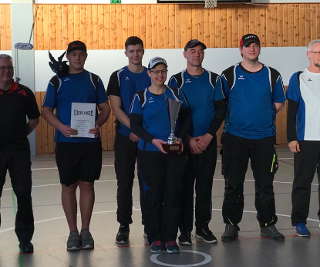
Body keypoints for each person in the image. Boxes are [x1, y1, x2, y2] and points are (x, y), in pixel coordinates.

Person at [42, 41, 110, 251]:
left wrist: (98, 124)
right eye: (74, 54)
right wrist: (61, 127)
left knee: (87, 185)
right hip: (66, 143)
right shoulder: (57, 81)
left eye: (81, 54)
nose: (78, 58)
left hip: (89, 143)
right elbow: (46, 110)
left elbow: (105, 108)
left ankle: (86, 231)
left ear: (86, 56)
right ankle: (72, 232)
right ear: (68, 57)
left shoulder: (94, 80)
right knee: (68, 186)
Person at [220, 34, 286, 242]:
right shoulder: (228, 75)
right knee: (233, 183)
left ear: (260, 49)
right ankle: (231, 224)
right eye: (248, 46)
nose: (252, 48)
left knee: (265, 183)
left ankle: (268, 224)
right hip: (235, 138)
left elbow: (278, 103)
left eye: (255, 45)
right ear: (241, 49)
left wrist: (261, 118)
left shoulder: (271, 75)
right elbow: (220, 105)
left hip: (264, 139)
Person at [168, 39, 226, 245]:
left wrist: (209, 136)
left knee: (204, 188)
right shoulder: (176, 81)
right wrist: (188, 139)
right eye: (192, 51)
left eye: (200, 51)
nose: (197, 54)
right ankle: (184, 230)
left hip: (207, 144)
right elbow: (173, 115)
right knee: (184, 188)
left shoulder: (214, 79)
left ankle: (202, 227)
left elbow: (220, 110)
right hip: (185, 145)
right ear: (185, 54)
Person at [130, 57, 190, 253]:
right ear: (149, 73)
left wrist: (180, 138)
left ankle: (170, 237)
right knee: (153, 196)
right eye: (155, 71)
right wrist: (153, 140)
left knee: (172, 194)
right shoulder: (140, 97)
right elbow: (135, 125)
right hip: (150, 154)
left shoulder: (175, 95)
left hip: (173, 153)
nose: (160, 75)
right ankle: (155, 236)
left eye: (163, 71)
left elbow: (186, 119)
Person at [107, 36, 151, 246]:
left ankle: (149, 225)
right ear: (126, 53)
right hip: (125, 138)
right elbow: (116, 108)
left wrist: (143, 133)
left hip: (147, 140)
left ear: (143, 52)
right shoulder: (117, 76)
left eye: (139, 51)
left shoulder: (152, 75)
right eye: (131, 51)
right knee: (124, 183)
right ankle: (123, 226)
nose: (135, 54)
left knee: (147, 182)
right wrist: (134, 129)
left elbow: (155, 106)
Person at [0, 54, 40, 253]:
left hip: (19, 152)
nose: (6, 71)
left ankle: (25, 239)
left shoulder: (24, 93)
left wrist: (18, 134)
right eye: (2, 68)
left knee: (23, 194)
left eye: (9, 67)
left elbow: (34, 120)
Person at [287, 39, 320, 237]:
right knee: (302, 183)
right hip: (306, 140)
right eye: (316, 52)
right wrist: (291, 137)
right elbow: (292, 110)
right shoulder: (298, 78)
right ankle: (299, 221)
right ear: (308, 53)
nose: (319, 55)